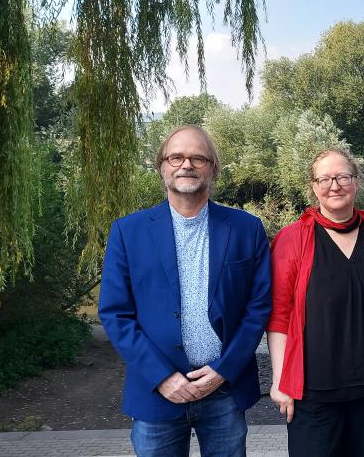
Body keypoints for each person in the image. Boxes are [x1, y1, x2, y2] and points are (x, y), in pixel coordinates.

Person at [98, 125, 272, 456]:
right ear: (161, 166)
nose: (186, 165)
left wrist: (223, 370)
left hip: (224, 390)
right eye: (176, 157)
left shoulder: (246, 229)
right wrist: (162, 377)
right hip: (157, 391)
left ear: (213, 168)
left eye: (198, 158)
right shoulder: (128, 231)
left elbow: (258, 307)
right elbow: (115, 313)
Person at [267, 148, 364, 457]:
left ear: (356, 182)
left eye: (343, 176)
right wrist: (279, 380)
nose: (335, 185)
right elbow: (279, 315)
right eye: (325, 179)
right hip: (312, 393)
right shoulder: (292, 239)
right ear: (313, 186)